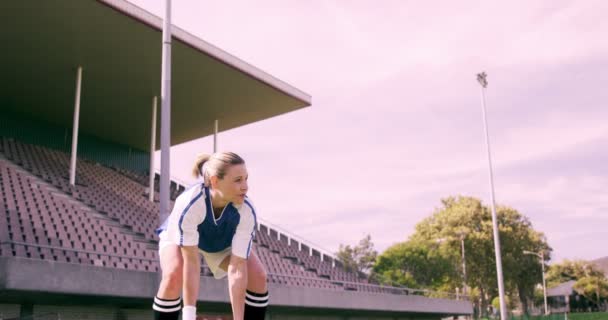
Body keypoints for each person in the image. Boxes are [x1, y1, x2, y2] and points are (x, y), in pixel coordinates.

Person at [152, 152, 269, 320]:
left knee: (258, 276)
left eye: (246, 179)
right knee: (173, 274)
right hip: (181, 239)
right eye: (238, 180)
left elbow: (237, 269)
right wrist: (189, 316)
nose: (245, 186)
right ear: (215, 181)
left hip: (219, 243)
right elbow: (191, 262)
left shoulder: (246, 210)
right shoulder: (191, 203)